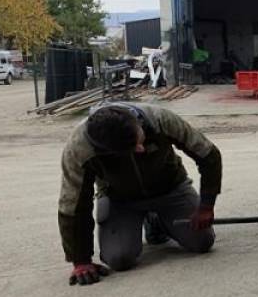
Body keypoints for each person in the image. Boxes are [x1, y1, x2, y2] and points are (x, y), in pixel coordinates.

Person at [57, 103, 222, 286]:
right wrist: (80, 261)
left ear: (137, 122)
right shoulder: (79, 149)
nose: (141, 149)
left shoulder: (161, 120)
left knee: (202, 241)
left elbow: (209, 156)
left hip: (170, 188)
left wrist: (206, 206)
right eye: (132, 148)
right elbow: (73, 205)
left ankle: (157, 220)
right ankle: (148, 218)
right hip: (120, 200)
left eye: (140, 140)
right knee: (119, 259)